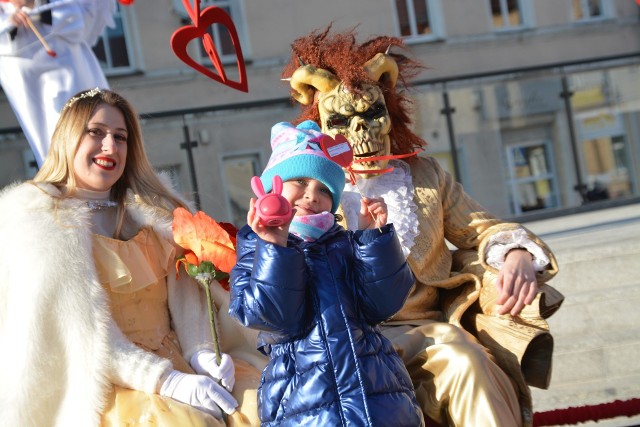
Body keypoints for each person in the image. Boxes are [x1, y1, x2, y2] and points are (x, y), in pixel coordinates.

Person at [281, 27, 564, 427]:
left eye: (371, 114)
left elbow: (481, 229)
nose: (359, 131)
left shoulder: (425, 175)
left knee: (466, 359)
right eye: (342, 119)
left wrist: (515, 253)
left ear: (389, 112)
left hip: (424, 331)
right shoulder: (304, 188)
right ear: (321, 126)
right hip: (339, 341)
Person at [0, 88, 264, 427]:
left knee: (260, 405)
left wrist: (200, 352)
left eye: (120, 137)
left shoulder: (152, 212)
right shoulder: (40, 222)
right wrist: (167, 381)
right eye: (95, 132)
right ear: (68, 138)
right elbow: (83, 335)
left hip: (181, 365)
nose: (110, 146)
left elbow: (187, 291)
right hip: (108, 382)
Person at [229, 120, 425, 427]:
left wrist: (373, 238)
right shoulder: (256, 245)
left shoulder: (344, 241)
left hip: (377, 391)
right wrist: (276, 248)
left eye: (323, 188)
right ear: (271, 187)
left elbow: (385, 303)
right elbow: (272, 317)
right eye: (300, 182)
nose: (311, 195)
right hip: (305, 400)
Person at [0, 0, 115, 167]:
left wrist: (37, 9)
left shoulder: (60, 7)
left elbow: (77, 22)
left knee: (89, 125)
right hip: (32, 96)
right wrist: (10, 22)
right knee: (52, 140)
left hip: (74, 85)